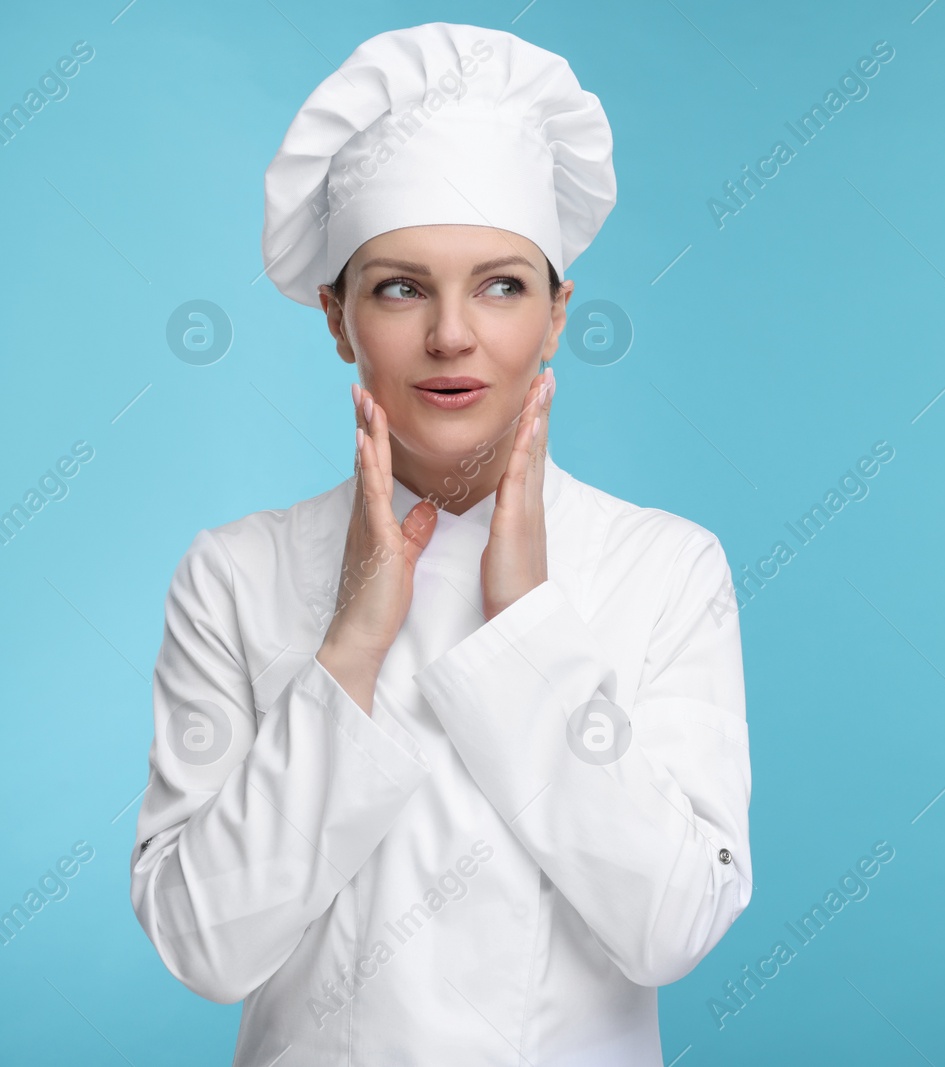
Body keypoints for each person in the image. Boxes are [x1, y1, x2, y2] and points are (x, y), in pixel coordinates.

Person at [128, 22, 752, 1066]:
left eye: (502, 285)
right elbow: (203, 945)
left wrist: (529, 628)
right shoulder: (233, 573)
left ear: (557, 315)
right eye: (400, 287)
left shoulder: (666, 567)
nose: (452, 335)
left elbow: (673, 927)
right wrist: (350, 650)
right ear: (336, 318)